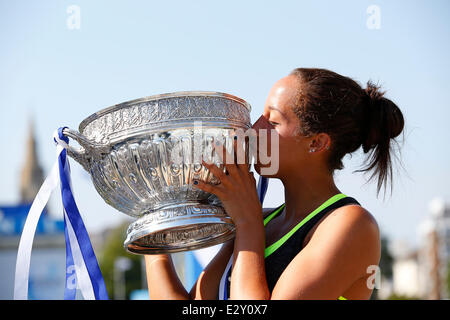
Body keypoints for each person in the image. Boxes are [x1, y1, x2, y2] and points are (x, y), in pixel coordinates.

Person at [144, 68, 404, 300]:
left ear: (317, 143)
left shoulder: (351, 225)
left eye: (273, 121)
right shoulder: (263, 220)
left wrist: (247, 224)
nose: (254, 129)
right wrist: (155, 226)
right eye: (260, 116)